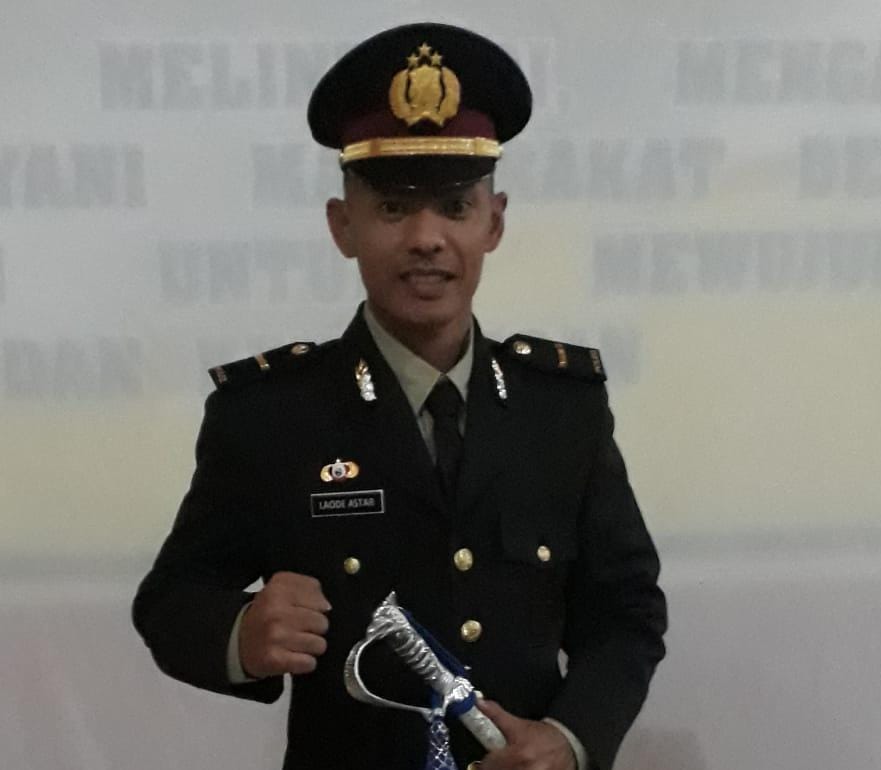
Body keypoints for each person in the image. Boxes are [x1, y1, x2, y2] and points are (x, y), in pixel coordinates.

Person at [133, 22, 667, 770]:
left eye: (454, 207)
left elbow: (625, 611)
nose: (425, 237)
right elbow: (170, 600)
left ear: (494, 222)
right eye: (392, 208)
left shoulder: (561, 410)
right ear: (341, 225)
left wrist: (571, 739)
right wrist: (241, 635)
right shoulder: (271, 415)